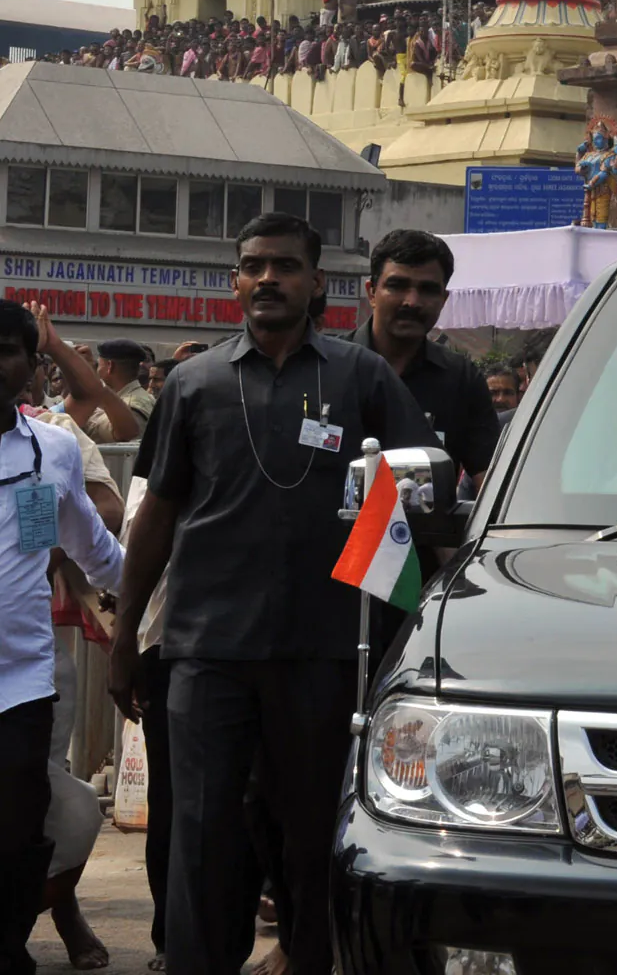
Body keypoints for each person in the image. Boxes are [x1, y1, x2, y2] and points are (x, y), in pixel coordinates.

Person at [107, 214, 435, 975]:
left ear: (317, 283)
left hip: (322, 654)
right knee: (201, 833)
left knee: (313, 834)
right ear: (234, 281)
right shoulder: (194, 381)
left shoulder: (360, 378)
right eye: (252, 266)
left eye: (285, 266)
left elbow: (419, 503)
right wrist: (126, 638)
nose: (267, 279)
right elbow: (156, 514)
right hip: (205, 650)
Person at [0, 300, 125, 975]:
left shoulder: (50, 449)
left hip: (19, 680)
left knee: (22, 826)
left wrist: (147, 595)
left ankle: (8, 943)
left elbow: (91, 542)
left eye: (6, 351)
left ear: (31, 367)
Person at [351, 230, 501, 482]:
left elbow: (488, 482)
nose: (412, 301)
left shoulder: (461, 380)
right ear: (371, 292)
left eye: (427, 290)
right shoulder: (327, 367)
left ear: (444, 300)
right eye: (397, 286)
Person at [96, 338, 158, 429]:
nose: (97, 370)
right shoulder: (146, 397)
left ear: (110, 366)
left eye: (99, 365)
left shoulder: (128, 407)